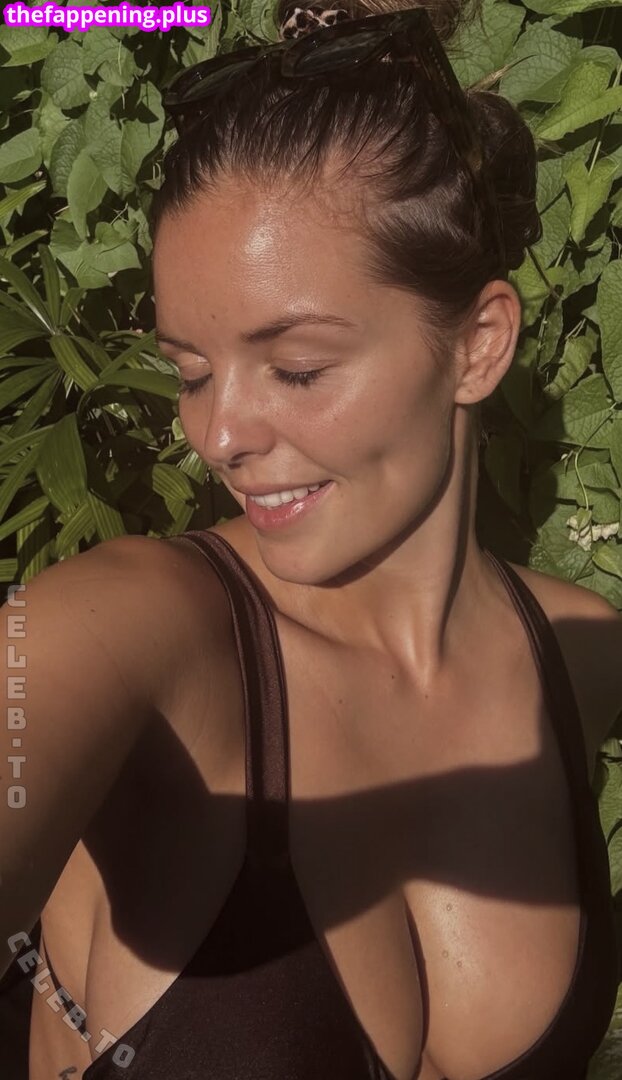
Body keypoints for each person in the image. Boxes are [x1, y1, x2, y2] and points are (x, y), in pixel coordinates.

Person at [1, 1, 621, 1077]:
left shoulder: (582, 657)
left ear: (477, 347)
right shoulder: (141, 633)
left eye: (295, 370)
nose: (217, 437)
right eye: (192, 372)